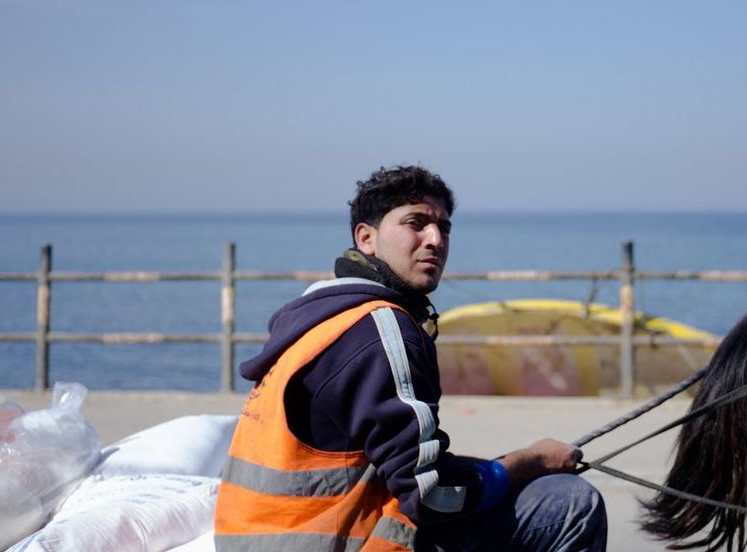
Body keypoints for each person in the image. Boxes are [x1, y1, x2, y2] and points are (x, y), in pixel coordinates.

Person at [215, 165, 607, 551]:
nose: (435, 238)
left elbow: (392, 465)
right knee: (570, 502)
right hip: (335, 543)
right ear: (366, 238)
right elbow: (432, 496)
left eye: (444, 226)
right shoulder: (381, 328)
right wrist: (529, 462)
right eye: (415, 223)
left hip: (261, 537)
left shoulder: (320, 320)